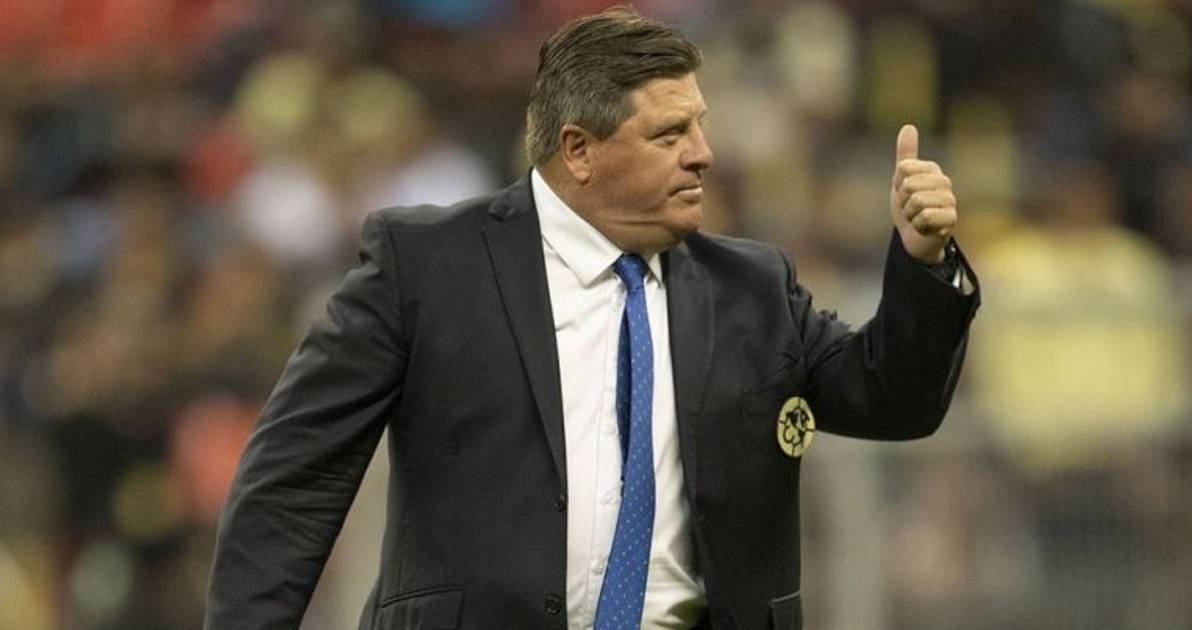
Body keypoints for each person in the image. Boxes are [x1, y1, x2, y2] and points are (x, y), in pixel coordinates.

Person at [204, 7, 980, 630]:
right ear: (578, 150)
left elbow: (893, 401)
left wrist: (923, 263)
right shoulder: (427, 268)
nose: (704, 154)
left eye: (699, 125)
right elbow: (293, 480)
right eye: (669, 134)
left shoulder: (753, 287)